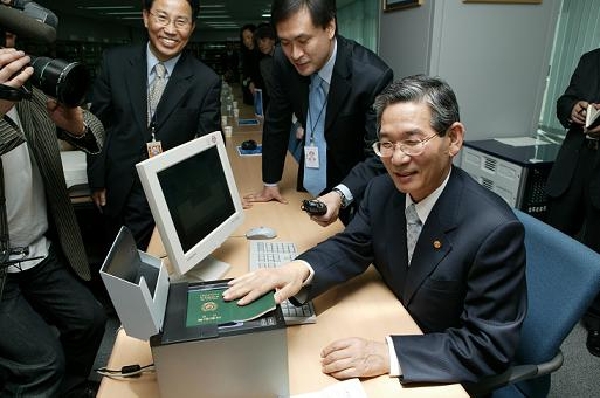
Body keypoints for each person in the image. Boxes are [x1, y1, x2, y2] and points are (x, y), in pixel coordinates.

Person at [224, 75, 527, 388]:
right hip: (392, 318)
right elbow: (353, 244)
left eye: (412, 141)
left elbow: (487, 347)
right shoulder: (383, 189)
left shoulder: (493, 230)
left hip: (441, 370)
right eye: (386, 143)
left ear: (453, 139)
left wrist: (389, 354)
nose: (396, 159)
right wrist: (298, 269)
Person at [0, 44, 106, 397]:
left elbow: (94, 129)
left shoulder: (28, 87)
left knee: (89, 320)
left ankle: (69, 391)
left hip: (39, 255)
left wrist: (74, 124)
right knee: (42, 362)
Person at [244, 0, 393, 227]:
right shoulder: (283, 62)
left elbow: (378, 155)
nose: (295, 54)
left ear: (330, 27)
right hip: (310, 185)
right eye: (285, 43)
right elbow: (277, 120)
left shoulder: (371, 77)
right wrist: (271, 181)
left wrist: (341, 195)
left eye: (303, 41)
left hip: (355, 188)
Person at [88, 0, 221, 250]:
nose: (170, 30)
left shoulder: (205, 80)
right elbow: (98, 126)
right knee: (117, 258)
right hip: (117, 186)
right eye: (162, 17)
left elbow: (208, 145)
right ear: (146, 17)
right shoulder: (114, 63)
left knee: (157, 264)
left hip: (171, 195)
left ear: (191, 27)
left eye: (181, 21)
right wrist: (96, 180)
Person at [545, 48, 600, 357]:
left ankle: (595, 320)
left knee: (598, 247)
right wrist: (574, 109)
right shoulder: (590, 59)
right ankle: (543, 298)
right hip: (573, 164)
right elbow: (564, 100)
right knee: (555, 236)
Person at [255, 23, 277, 112]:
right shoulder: (263, 63)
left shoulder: (287, 57)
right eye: (258, 43)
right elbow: (269, 90)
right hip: (275, 104)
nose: (261, 45)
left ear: (273, 40)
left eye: (263, 41)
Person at [240, 24, 262, 106]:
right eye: (244, 38)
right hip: (248, 94)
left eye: (249, 37)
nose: (246, 41)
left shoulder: (261, 54)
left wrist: (253, 81)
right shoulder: (245, 54)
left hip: (261, 95)